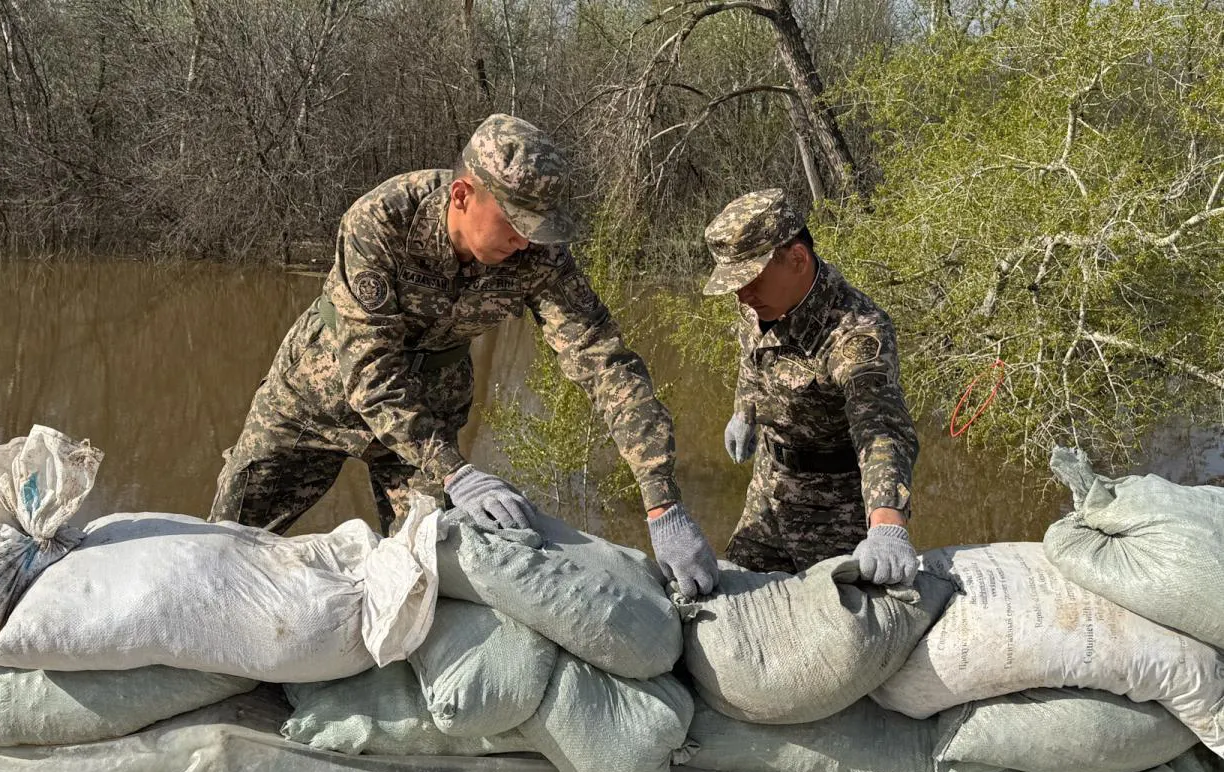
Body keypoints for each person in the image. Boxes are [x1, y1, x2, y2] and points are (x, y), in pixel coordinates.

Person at [209, 113, 719, 597]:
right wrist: (455, 470)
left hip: (429, 408)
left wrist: (661, 500)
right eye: (515, 224)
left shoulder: (538, 255)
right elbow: (369, 370)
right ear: (462, 195)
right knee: (225, 552)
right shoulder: (383, 220)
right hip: (315, 402)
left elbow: (603, 359)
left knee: (427, 574)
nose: (526, 242)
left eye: (538, 228)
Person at [703, 188, 920, 584]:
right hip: (768, 491)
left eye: (749, 279)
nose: (741, 294)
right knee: (737, 601)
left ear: (797, 259)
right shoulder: (759, 302)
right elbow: (753, 360)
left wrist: (888, 520)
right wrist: (743, 412)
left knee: (832, 632)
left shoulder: (855, 331)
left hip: (832, 512)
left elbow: (881, 428)